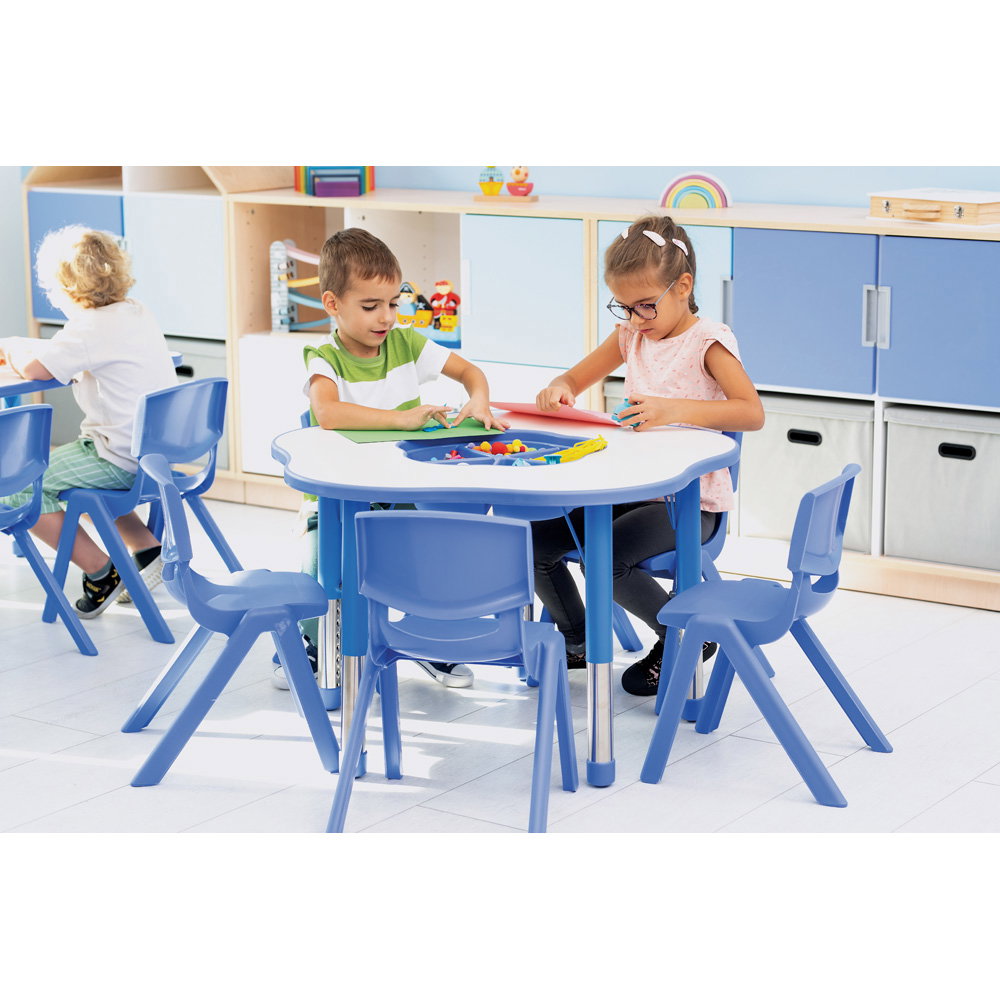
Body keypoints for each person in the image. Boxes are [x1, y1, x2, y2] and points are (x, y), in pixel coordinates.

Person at [531, 215, 764, 697]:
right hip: (629, 489)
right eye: (624, 307)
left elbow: (751, 412)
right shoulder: (630, 336)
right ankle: (577, 639)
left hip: (688, 503)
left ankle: (683, 636)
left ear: (683, 286)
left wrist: (671, 410)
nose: (636, 319)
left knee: (604, 561)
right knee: (536, 543)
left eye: (645, 306)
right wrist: (559, 388)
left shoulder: (707, 341)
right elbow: (573, 378)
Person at [273, 227, 510, 691]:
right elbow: (328, 412)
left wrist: (479, 399)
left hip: (398, 495)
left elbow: (470, 372)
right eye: (370, 306)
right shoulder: (324, 358)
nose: (386, 317)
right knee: (322, 570)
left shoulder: (406, 344)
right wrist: (401, 420)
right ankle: (313, 644)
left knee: (427, 561)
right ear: (332, 303)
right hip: (335, 503)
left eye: (393, 303)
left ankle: (428, 639)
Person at [0, 226, 176, 616]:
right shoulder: (135, 312)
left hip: (117, 459)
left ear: (64, 289)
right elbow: (71, 351)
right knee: (84, 479)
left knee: (19, 487)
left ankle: (101, 571)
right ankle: (146, 547)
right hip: (153, 458)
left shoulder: (88, 328)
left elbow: (37, 368)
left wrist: (10, 349)